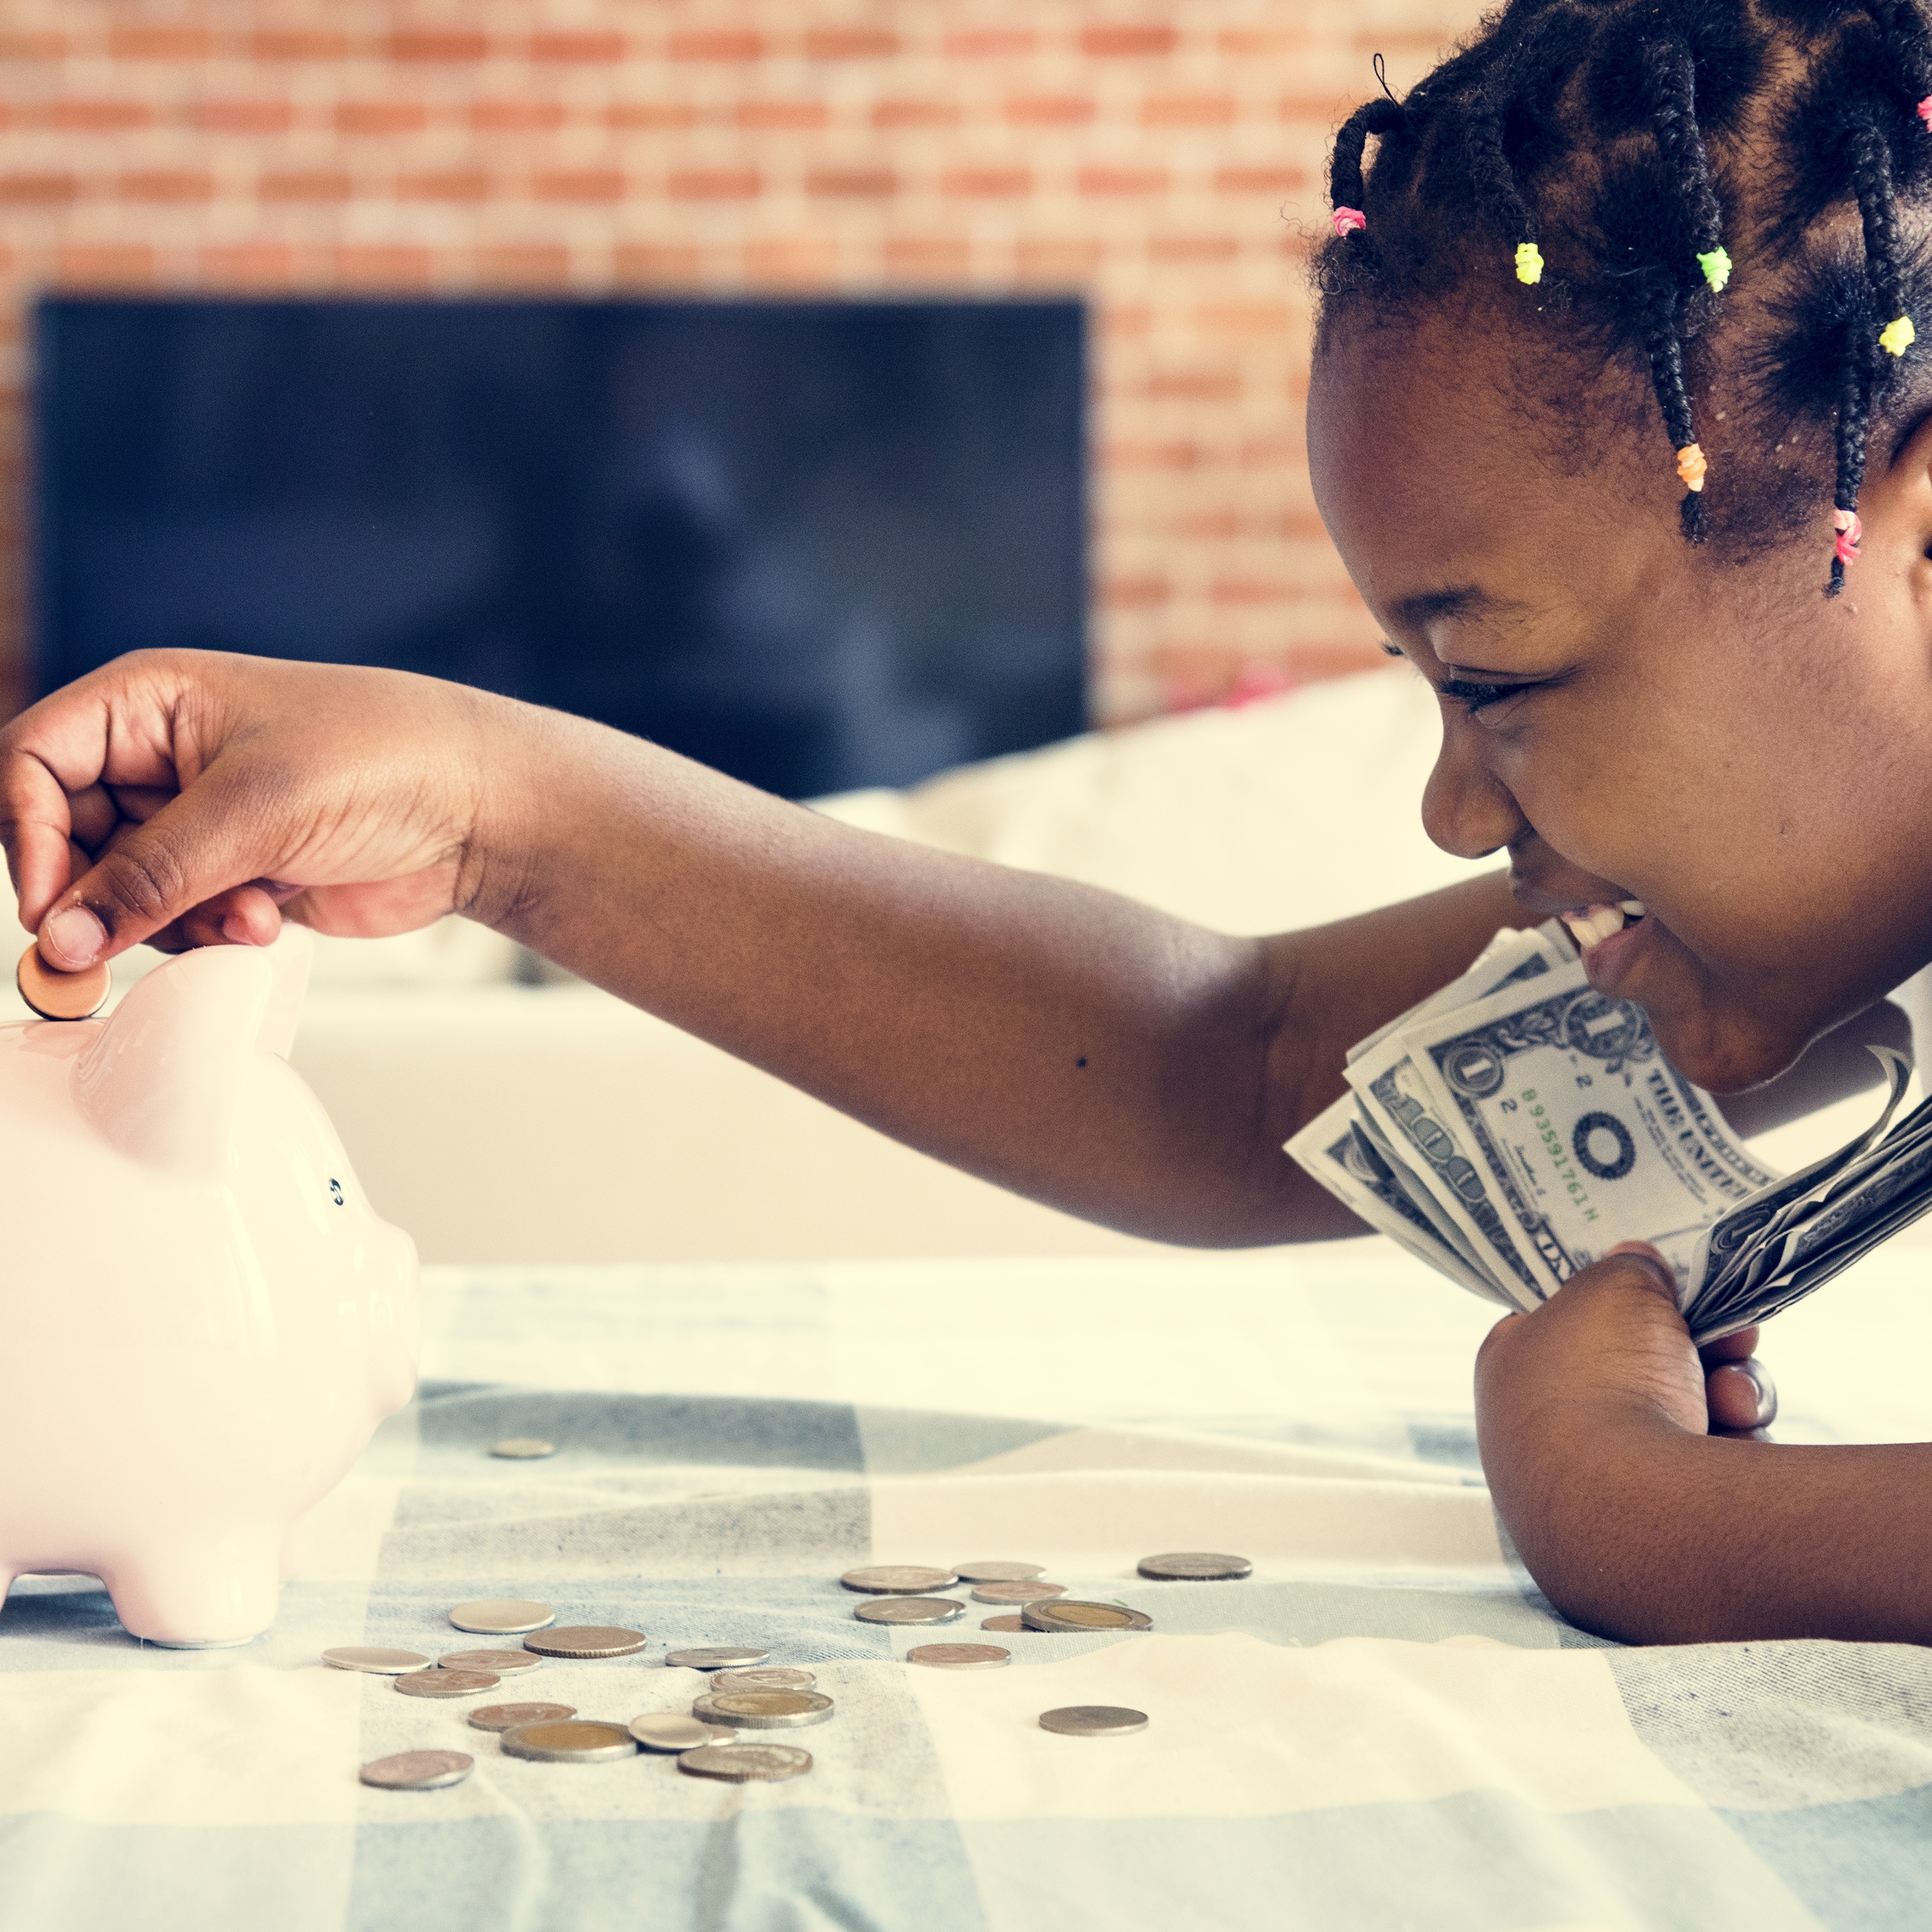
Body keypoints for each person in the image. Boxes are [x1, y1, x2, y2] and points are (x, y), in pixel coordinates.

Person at [5, 0, 1931, 1648]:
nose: (1445, 811)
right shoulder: (1746, 914)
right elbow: (1228, 1066)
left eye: (1492, 682)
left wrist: (1610, 1497)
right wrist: (482, 802)